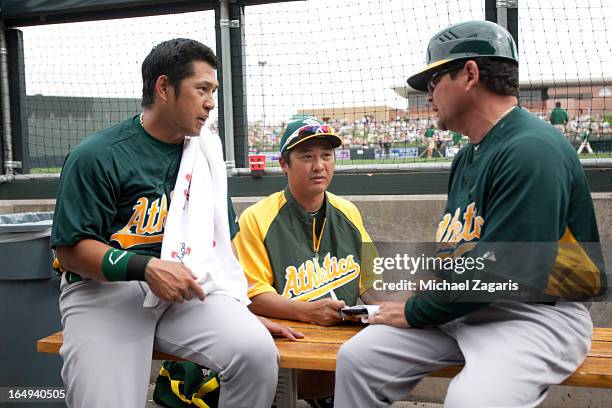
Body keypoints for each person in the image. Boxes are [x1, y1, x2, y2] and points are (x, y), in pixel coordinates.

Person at [334, 20, 606, 408]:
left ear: (470, 74)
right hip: (469, 307)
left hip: (536, 317)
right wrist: (430, 284)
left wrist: (419, 308)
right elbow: (467, 250)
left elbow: (512, 268)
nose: (428, 95)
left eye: (433, 81)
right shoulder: (468, 153)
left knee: (472, 400)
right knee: (360, 358)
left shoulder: (531, 149)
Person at [51, 38, 299, 408]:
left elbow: (222, 249)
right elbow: (70, 251)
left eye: (213, 90)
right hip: (104, 292)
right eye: (202, 89)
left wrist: (236, 313)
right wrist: (147, 267)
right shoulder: (98, 155)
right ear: (164, 87)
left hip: (186, 290)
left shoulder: (206, 154)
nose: (211, 102)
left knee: (254, 352)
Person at [233, 117, 375, 406]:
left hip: (339, 336)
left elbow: (372, 281)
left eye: (326, 155)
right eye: (307, 156)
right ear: (285, 164)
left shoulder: (348, 212)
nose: (319, 165)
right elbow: (253, 296)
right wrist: (308, 312)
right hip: (286, 336)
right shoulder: (257, 218)